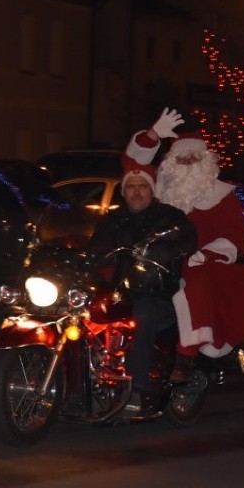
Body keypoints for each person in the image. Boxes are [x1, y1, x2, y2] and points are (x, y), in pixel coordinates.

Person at [124, 108, 244, 382]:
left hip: (198, 263)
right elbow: (132, 165)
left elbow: (232, 237)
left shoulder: (221, 196)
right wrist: (153, 135)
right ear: (171, 160)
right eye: (181, 157)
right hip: (154, 261)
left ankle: (186, 357)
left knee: (193, 284)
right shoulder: (161, 188)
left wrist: (204, 254)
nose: (187, 164)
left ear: (205, 161)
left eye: (193, 158)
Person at [86, 154, 197, 412]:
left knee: (143, 314)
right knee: (83, 313)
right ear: (123, 191)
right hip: (121, 292)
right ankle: (88, 381)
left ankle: (136, 389)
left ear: (152, 189)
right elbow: (95, 247)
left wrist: (162, 252)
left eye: (143, 186)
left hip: (159, 293)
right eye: (131, 187)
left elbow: (187, 239)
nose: (137, 192)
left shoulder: (169, 216)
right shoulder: (113, 220)